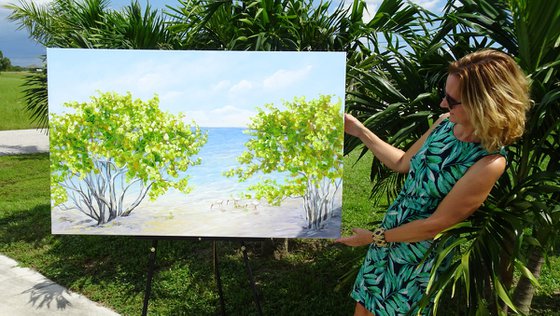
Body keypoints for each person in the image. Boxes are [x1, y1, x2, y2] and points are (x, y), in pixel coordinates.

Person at [336, 49, 531, 315]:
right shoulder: (442, 125)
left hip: (418, 257)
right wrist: (359, 130)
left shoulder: (489, 162)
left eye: (452, 100)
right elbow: (402, 162)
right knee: (363, 310)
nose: (442, 104)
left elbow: (434, 225)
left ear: (484, 105)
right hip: (388, 239)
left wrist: (374, 238)